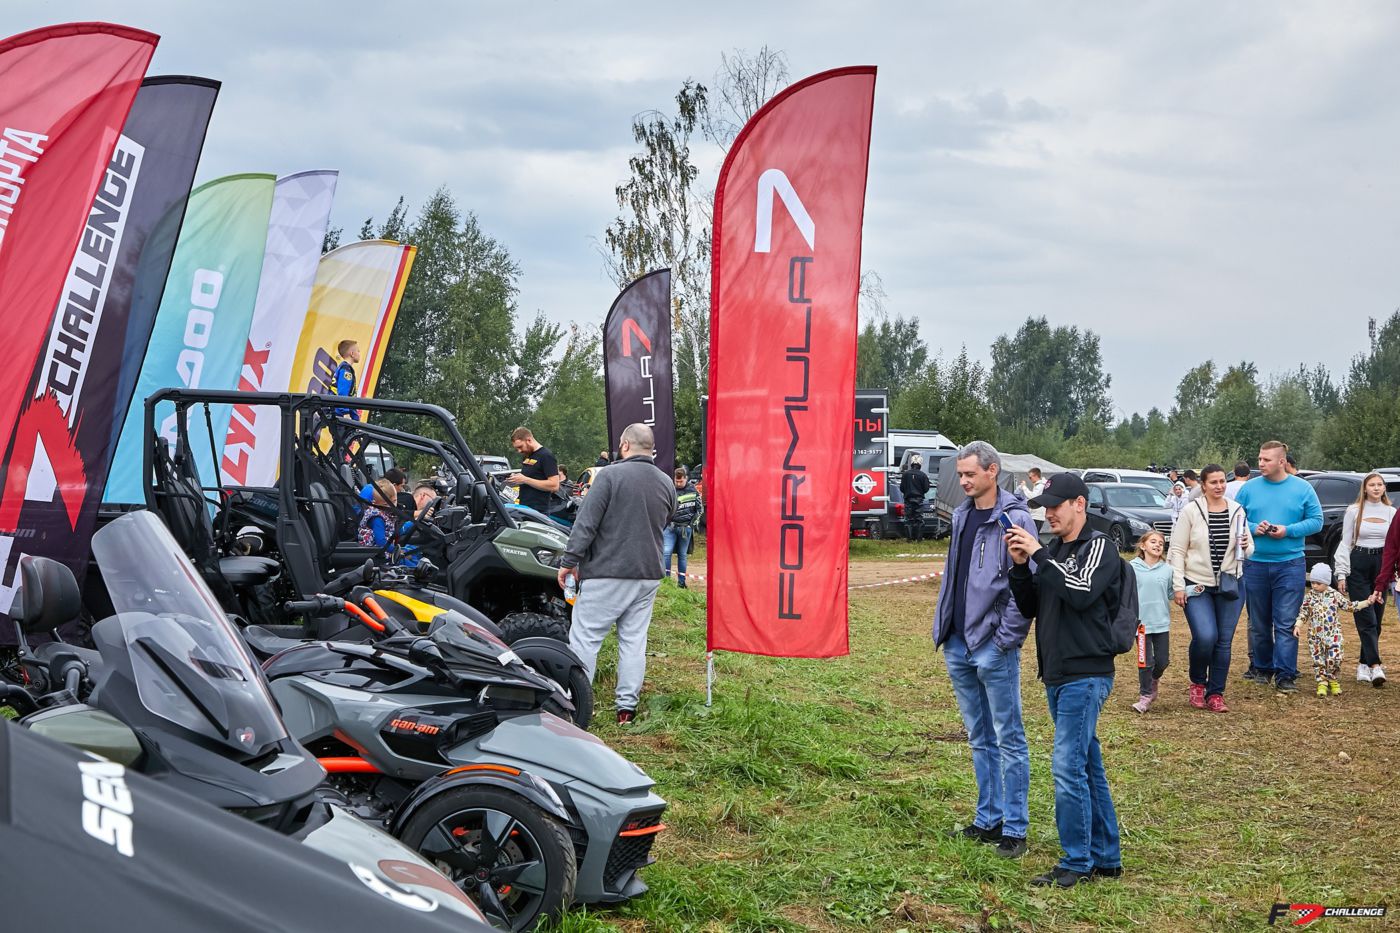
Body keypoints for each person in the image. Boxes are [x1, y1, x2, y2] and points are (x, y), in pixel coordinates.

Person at [1005, 473, 1123, 887]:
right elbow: (1032, 606)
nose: (1049, 514)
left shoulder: (1099, 546)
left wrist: (1039, 555)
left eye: (1055, 505)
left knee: (1067, 767)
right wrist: (1021, 568)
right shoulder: (1053, 550)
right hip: (1058, 672)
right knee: (1086, 765)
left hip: (1086, 673)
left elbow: (1081, 591)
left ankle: (1077, 861)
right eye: (1045, 507)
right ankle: (1106, 857)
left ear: (1079, 504)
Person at [933, 442, 1035, 861]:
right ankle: (988, 817)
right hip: (957, 642)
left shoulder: (1015, 518)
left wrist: (1004, 640)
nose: (963, 481)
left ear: (992, 471)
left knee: (1009, 738)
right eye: (960, 474)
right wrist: (946, 630)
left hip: (993, 647)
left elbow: (1024, 586)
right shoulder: (961, 514)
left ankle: (1014, 828)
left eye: (970, 474)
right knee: (980, 737)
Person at [557, 424, 676, 725]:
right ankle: (626, 710)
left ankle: (575, 706)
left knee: (585, 638)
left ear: (624, 445)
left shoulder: (609, 476)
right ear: (650, 448)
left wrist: (569, 561)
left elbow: (586, 523)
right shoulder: (666, 481)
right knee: (634, 641)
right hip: (648, 575)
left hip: (607, 571)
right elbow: (667, 518)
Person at [1235, 441, 1323, 693]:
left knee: (1285, 622)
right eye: (1259, 459)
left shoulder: (1302, 488)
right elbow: (1236, 519)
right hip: (1255, 563)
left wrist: (1288, 530)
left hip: (1290, 564)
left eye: (1266, 460)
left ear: (1282, 462)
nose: (1260, 463)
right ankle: (1263, 668)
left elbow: (1316, 521)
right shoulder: (1248, 489)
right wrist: (1255, 528)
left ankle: (1285, 674)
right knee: (1259, 622)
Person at [1167, 464, 1255, 712]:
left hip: (1230, 583)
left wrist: (1246, 545)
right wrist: (1178, 586)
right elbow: (1177, 550)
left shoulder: (1237, 510)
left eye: (1222, 481)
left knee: (1223, 641)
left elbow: (1249, 549)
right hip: (1197, 584)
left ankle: (1216, 693)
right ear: (1203, 485)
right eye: (1213, 482)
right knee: (1206, 636)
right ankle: (1197, 682)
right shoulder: (1191, 511)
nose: (1219, 486)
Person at [1335, 472, 1394, 686]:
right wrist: (1341, 573)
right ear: (1365, 488)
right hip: (1359, 562)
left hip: (1382, 564)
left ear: (1384, 488)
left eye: (1380, 484)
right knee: (1365, 615)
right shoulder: (1354, 511)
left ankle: (1363, 663)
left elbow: (1394, 545)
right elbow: (1345, 542)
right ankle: (1375, 665)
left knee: (1376, 617)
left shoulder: (1391, 512)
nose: (1376, 488)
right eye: (1372, 485)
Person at [1295, 563, 1377, 697]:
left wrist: (1366, 603)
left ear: (1326, 582)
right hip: (1315, 636)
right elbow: (1304, 612)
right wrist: (1298, 625)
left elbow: (1349, 606)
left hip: (1333, 635)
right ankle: (1322, 682)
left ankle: (1332, 679)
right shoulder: (1309, 596)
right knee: (1318, 660)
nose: (1314, 586)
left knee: (1336, 657)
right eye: (1313, 582)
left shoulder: (1334, 595)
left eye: (1318, 583)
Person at [1129, 530, 1173, 714]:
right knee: (1144, 662)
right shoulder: (1131, 568)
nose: (1157, 545)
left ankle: (1154, 679)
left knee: (1162, 661)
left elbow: (1172, 593)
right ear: (1143, 546)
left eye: (1161, 543)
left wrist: (1193, 590)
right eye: (1153, 542)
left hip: (1161, 623)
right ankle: (1145, 696)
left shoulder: (1167, 569)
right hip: (1140, 625)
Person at [663, 467, 702, 587]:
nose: (678, 483)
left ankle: (681, 583)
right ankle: (666, 582)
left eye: (681, 481)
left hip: (686, 528)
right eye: (677, 481)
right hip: (670, 527)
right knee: (666, 553)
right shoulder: (670, 490)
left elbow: (700, 510)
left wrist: (692, 524)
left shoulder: (693, 490)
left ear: (686, 479)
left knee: (682, 555)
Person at [506, 428, 561, 514]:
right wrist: (517, 478)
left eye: (520, 447)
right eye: (517, 448)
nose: (519, 451)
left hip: (538, 511)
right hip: (524, 508)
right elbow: (532, 476)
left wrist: (525, 480)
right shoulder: (528, 455)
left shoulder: (546, 456)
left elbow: (554, 485)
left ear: (529, 440)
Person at [357, 478, 398, 552]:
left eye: (395, 500)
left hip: (386, 548)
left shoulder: (384, 513)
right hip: (378, 554)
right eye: (393, 501)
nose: (394, 505)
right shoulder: (377, 519)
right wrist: (396, 551)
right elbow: (381, 542)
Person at [900, 455, 931, 542]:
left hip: (908, 499)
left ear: (911, 463)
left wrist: (907, 492)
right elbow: (926, 488)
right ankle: (919, 539)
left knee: (908, 519)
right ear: (920, 464)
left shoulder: (905, 474)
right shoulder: (923, 475)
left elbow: (901, 488)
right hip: (919, 499)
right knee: (919, 519)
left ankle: (909, 539)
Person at [333, 339, 362, 421]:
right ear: (352, 354)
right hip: (341, 415)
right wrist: (345, 413)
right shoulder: (346, 370)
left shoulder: (344, 368)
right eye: (358, 351)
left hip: (343, 414)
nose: (359, 353)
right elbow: (343, 392)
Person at [1017, 467, 1047, 536]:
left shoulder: (1040, 486)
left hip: (1037, 516)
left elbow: (1033, 496)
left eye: (1030, 477)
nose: (1030, 479)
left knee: (1032, 536)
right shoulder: (1039, 485)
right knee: (1033, 536)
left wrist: (1024, 487)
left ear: (1035, 476)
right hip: (1036, 516)